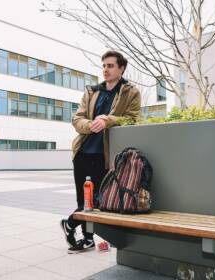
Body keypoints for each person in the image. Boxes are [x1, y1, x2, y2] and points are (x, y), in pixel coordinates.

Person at [60, 50, 141, 253]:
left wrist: (108, 120)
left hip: (107, 156)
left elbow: (132, 119)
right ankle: (88, 240)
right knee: (84, 200)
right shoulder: (91, 91)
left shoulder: (131, 92)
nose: (105, 69)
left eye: (110, 65)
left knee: (101, 202)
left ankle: (69, 224)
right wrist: (91, 125)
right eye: (104, 65)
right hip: (83, 153)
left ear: (121, 68)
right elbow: (76, 119)